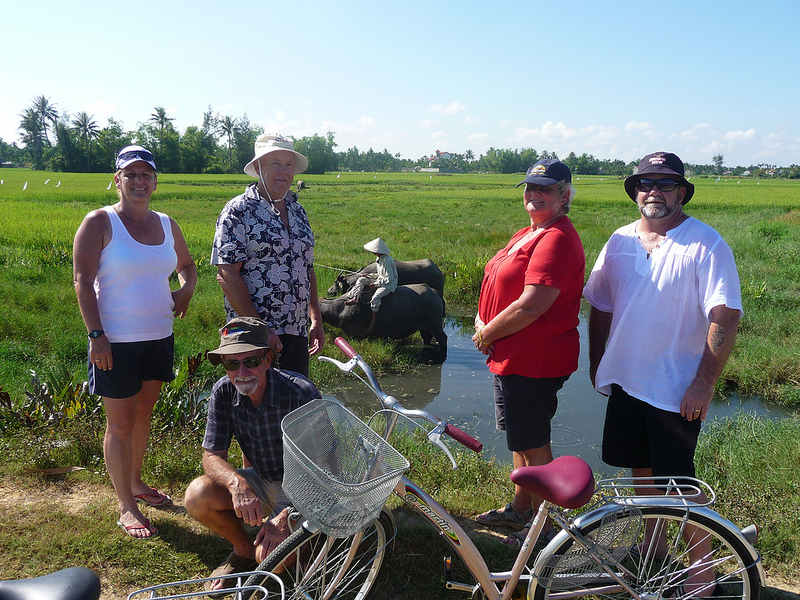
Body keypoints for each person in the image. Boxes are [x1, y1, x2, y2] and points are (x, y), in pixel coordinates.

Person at [583, 151, 742, 597]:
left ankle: (703, 572)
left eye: (665, 184)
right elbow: (601, 303)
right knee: (642, 470)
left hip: (675, 389)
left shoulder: (705, 244)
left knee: (679, 483)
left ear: (682, 192)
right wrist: (600, 363)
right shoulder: (619, 240)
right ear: (635, 192)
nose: (654, 191)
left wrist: (704, 382)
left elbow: (725, 316)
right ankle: (650, 549)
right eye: (645, 184)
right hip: (627, 380)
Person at [73, 145, 197, 539]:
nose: (139, 181)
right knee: (120, 423)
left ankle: (137, 482)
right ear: (118, 180)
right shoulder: (100, 222)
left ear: (155, 182)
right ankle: (126, 505)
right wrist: (97, 336)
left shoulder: (166, 223)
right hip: (116, 341)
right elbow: (81, 281)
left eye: (147, 175)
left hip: (159, 336)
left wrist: (186, 291)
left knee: (143, 414)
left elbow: (187, 266)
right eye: (131, 174)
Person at [471, 159, 585, 547]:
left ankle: (543, 528)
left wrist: (486, 331)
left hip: (535, 360)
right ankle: (522, 507)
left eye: (546, 189)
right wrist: (481, 321)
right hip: (511, 355)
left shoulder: (556, 239)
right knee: (520, 437)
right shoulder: (532, 231)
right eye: (529, 188)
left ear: (565, 195)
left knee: (534, 442)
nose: (534, 195)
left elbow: (531, 305)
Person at [184, 316, 321, 594]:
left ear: (268, 360)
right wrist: (237, 483)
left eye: (251, 361)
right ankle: (242, 549)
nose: (241, 372)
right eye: (232, 364)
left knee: (268, 560)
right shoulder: (223, 391)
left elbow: (325, 469)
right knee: (196, 495)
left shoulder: (300, 393)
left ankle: (308, 548)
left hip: (304, 488)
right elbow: (211, 455)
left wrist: (287, 515)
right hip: (260, 479)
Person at [211, 134, 324, 377]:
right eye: (275, 163)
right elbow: (226, 274)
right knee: (253, 407)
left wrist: (316, 319)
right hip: (251, 338)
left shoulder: (298, 210)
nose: (283, 171)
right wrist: (262, 329)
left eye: (288, 164)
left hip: (296, 331)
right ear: (258, 167)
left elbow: (307, 268)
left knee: (294, 405)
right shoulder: (238, 211)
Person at [344, 237, 399, 333]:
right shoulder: (379, 258)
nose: (373, 252)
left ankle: (373, 323)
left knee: (375, 298)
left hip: (389, 284)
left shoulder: (387, 261)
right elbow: (380, 274)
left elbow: (389, 278)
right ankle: (355, 297)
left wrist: (376, 284)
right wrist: (369, 276)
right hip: (381, 279)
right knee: (361, 279)